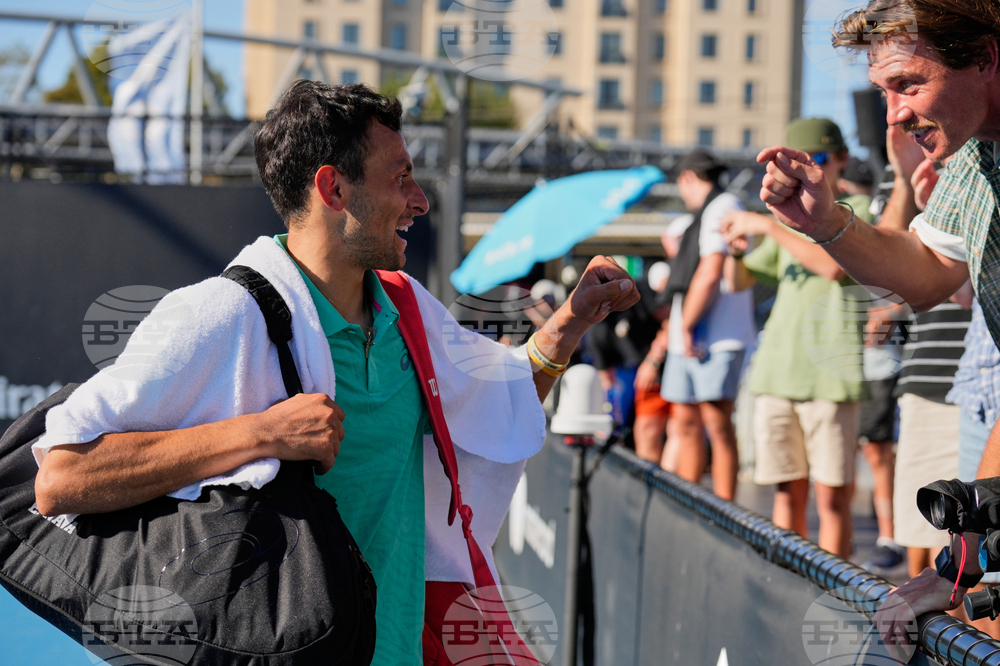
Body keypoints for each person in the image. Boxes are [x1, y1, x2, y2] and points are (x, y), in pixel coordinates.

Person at [30, 81, 640, 663]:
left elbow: (497, 406)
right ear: (334, 189)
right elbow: (63, 474)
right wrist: (260, 435)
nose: (420, 200)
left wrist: (568, 323)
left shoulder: (407, 307)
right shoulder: (220, 312)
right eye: (400, 177)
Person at [752, 0, 1000, 646]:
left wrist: (959, 565)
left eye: (909, 85)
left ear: (986, 60)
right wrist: (824, 222)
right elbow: (920, 272)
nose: (894, 114)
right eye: (883, 91)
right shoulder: (973, 158)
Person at [722, 118, 873, 559]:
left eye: (820, 159)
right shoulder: (785, 218)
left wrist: (767, 227)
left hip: (830, 376)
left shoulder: (858, 208)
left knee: (832, 498)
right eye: (801, 162)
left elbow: (830, 267)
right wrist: (735, 249)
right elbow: (739, 282)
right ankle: (791, 581)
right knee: (787, 494)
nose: (813, 170)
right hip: (777, 373)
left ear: (842, 159)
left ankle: (834, 593)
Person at [651, 149, 756, 501]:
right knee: (684, 421)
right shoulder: (699, 216)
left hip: (716, 336)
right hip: (691, 335)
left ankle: (726, 509)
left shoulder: (723, 206)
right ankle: (690, 502)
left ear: (688, 178)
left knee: (716, 423)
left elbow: (711, 272)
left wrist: (686, 325)